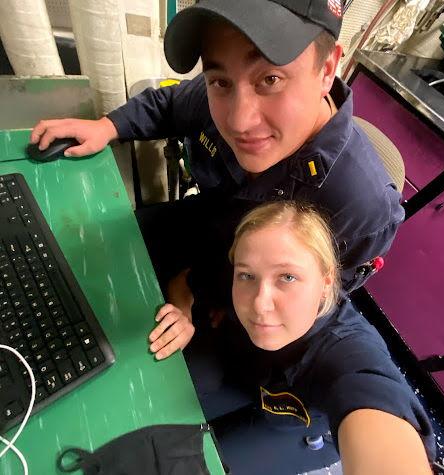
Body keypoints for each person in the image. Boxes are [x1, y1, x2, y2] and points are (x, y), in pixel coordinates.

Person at [30, 0, 404, 359]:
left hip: (241, 308)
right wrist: (107, 126)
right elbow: (170, 104)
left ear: (326, 69)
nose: (239, 121)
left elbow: (319, 305)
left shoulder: (359, 207)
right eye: (221, 81)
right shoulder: (221, 94)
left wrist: (206, 294)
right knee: (67, 263)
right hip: (201, 228)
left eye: (270, 79)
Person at [149, 201, 435, 474]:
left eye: (287, 277)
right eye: (246, 276)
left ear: (326, 282)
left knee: (200, 466)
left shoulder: (343, 348)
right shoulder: (244, 269)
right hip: (245, 378)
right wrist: (183, 314)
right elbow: (185, 283)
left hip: (293, 426)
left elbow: (373, 395)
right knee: (163, 401)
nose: (260, 303)